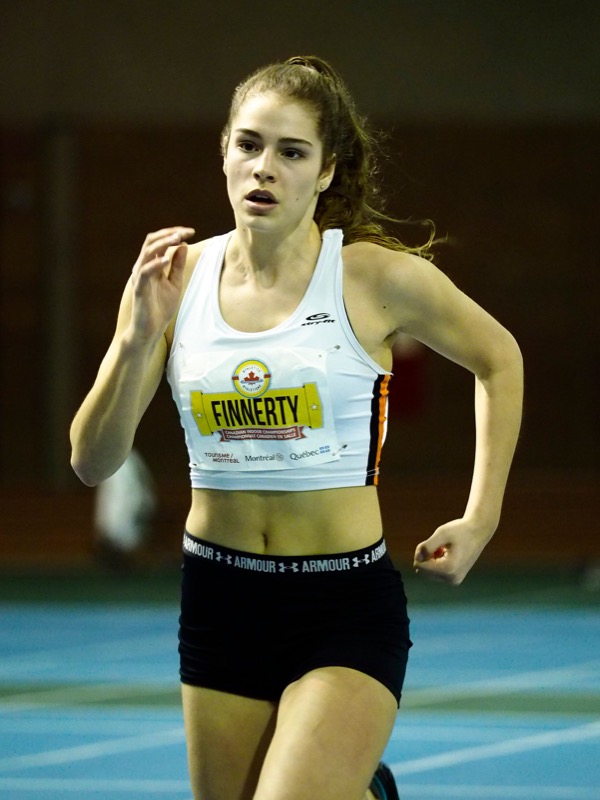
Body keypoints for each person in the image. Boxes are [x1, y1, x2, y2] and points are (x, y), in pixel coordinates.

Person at [70, 55, 523, 800]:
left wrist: (482, 517)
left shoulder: (375, 279)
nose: (264, 168)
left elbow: (499, 359)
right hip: (220, 601)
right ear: (223, 152)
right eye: (249, 144)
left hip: (341, 604)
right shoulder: (173, 282)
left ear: (325, 171)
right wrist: (133, 340)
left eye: (291, 151)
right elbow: (92, 461)